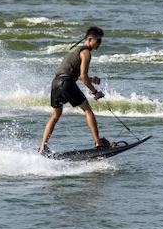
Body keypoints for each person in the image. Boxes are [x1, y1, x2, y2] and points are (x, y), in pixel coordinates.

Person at [39, 26, 110, 155]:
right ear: (89, 39)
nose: (99, 44)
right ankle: (98, 143)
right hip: (67, 83)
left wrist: (92, 79)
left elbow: (74, 73)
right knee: (88, 110)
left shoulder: (74, 51)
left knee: (55, 116)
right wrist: (95, 92)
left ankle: (42, 148)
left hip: (56, 83)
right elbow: (82, 77)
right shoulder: (86, 52)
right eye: (98, 41)